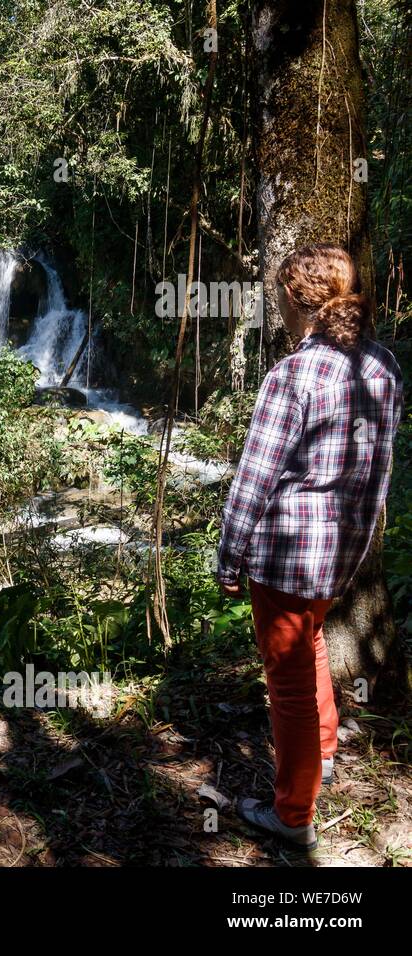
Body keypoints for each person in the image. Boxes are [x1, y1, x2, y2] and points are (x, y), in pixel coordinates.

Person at [216, 243, 403, 850]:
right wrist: (349, 562)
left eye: (279, 299)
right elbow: (378, 480)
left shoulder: (292, 375)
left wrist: (230, 554)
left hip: (285, 555)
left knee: (288, 685)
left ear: (298, 304)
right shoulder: (382, 368)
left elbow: (255, 476)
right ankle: (321, 752)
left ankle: (292, 815)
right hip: (335, 556)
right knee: (311, 647)